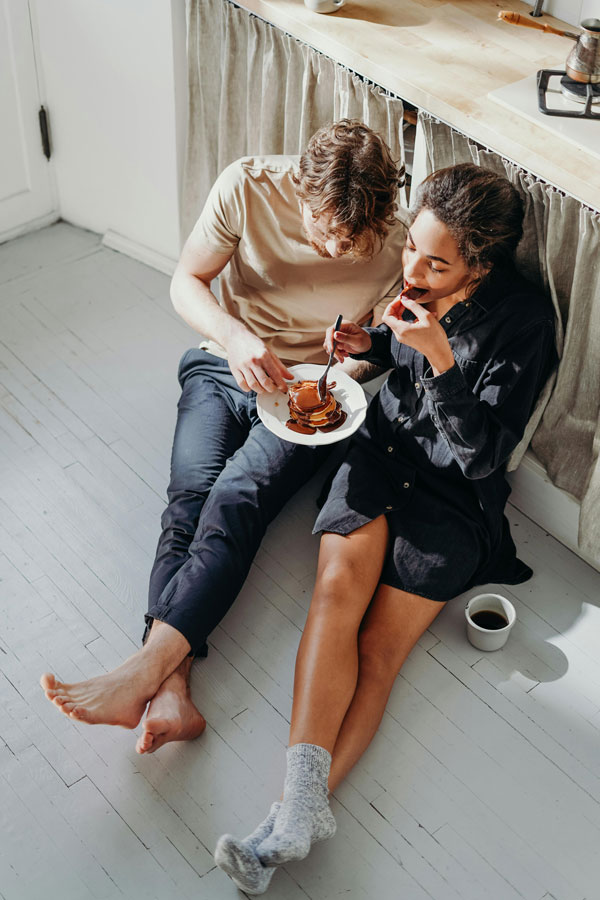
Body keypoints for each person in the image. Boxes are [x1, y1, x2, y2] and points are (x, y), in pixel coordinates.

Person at [213, 163, 557, 894]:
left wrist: (441, 361)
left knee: (379, 650)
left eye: (436, 262)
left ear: (481, 264)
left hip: (453, 499)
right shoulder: (414, 287)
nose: (414, 269)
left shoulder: (524, 323)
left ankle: (291, 820)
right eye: (411, 250)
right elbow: (395, 364)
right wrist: (367, 347)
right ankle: (302, 805)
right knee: (335, 593)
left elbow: (485, 456)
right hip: (381, 453)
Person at [39, 120, 408, 753]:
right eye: (325, 233)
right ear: (300, 189)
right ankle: (171, 689)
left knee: (237, 497)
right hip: (221, 364)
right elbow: (187, 280)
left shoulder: (394, 240)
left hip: (305, 395)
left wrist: (337, 378)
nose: (332, 252)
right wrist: (237, 338)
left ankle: (146, 670)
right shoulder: (247, 186)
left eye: (351, 243)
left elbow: (380, 349)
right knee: (190, 495)